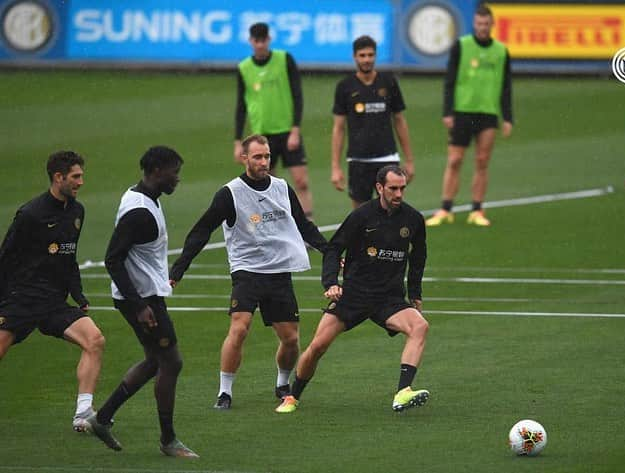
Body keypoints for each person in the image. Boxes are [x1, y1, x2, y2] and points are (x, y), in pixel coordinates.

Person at [169, 134, 327, 409]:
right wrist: (178, 269)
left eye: (266, 156)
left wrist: (331, 252)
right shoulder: (230, 193)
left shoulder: (281, 188)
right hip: (247, 271)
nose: (264, 161)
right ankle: (225, 392)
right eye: (257, 157)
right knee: (239, 328)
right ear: (244, 159)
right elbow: (202, 231)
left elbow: (305, 226)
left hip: (279, 271)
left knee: (290, 339)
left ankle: (281, 383)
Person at [276, 165, 429, 414]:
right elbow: (334, 249)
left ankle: (403, 392)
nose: (399, 194)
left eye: (402, 188)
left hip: (388, 298)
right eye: (393, 188)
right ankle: (293, 396)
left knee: (420, 326)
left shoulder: (413, 219)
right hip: (354, 294)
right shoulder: (361, 216)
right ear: (380, 188)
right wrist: (331, 283)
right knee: (317, 346)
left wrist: (415, 294)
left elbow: (418, 257)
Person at [86, 146, 198, 458]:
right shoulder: (140, 213)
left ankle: (103, 418)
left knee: (154, 361)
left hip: (141, 295)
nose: (177, 178)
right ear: (157, 171)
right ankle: (168, 440)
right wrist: (139, 305)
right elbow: (112, 259)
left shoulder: (142, 198)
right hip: (142, 298)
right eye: (174, 172)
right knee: (171, 362)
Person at [0, 151, 105, 432]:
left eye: (81, 175)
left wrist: (79, 296)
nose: (81, 182)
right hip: (22, 299)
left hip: (53, 302)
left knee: (94, 340)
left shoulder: (76, 212)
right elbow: (5, 258)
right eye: (75, 176)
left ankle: (83, 414)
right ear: (58, 178)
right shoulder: (30, 215)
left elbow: (69, 259)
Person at [426, 4, 513, 227]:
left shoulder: (501, 51)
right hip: (463, 112)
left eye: (486, 24)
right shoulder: (462, 46)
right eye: (479, 24)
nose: (483, 28)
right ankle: (446, 208)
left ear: (492, 25)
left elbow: (505, 86)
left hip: (488, 113)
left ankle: (477, 209)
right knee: (455, 160)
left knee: (482, 161)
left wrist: (508, 117)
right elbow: (450, 80)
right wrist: (448, 111)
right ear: (474, 24)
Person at [234, 22, 314, 218]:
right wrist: (238, 141)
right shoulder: (244, 68)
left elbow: (297, 94)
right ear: (251, 41)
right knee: (269, 184)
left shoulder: (284, 59)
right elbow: (241, 105)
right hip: (262, 136)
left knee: (301, 181)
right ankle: (281, 225)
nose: (260, 45)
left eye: (263, 40)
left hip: (287, 131)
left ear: (269, 39)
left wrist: (295, 129)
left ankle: (308, 227)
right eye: (256, 41)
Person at [331, 35, 415, 209]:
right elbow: (339, 128)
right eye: (362, 55)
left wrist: (409, 160)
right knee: (360, 213)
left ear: (375, 56)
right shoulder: (345, 87)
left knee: (392, 209)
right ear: (355, 57)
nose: (367, 60)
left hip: (387, 158)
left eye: (370, 55)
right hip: (358, 159)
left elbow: (399, 120)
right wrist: (335, 167)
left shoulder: (389, 82)